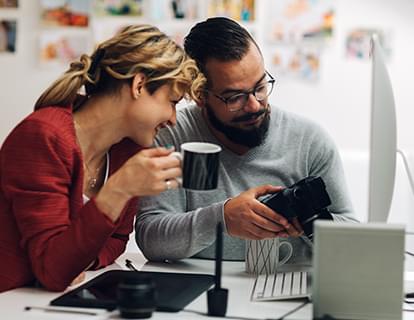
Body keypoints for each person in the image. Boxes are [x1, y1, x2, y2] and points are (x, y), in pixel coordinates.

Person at [0, 24, 204, 292]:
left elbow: (117, 239)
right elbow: (53, 272)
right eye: (173, 102)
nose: (173, 119)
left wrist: (78, 260)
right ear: (139, 85)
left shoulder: (127, 151)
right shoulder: (43, 137)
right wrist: (119, 189)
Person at [135, 17, 357, 264]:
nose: (254, 105)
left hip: (288, 287)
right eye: (235, 97)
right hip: (201, 289)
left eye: (260, 86)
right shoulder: (173, 135)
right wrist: (222, 218)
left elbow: (350, 233)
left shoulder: (309, 141)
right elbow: (151, 239)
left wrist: (309, 221)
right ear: (200, 95)